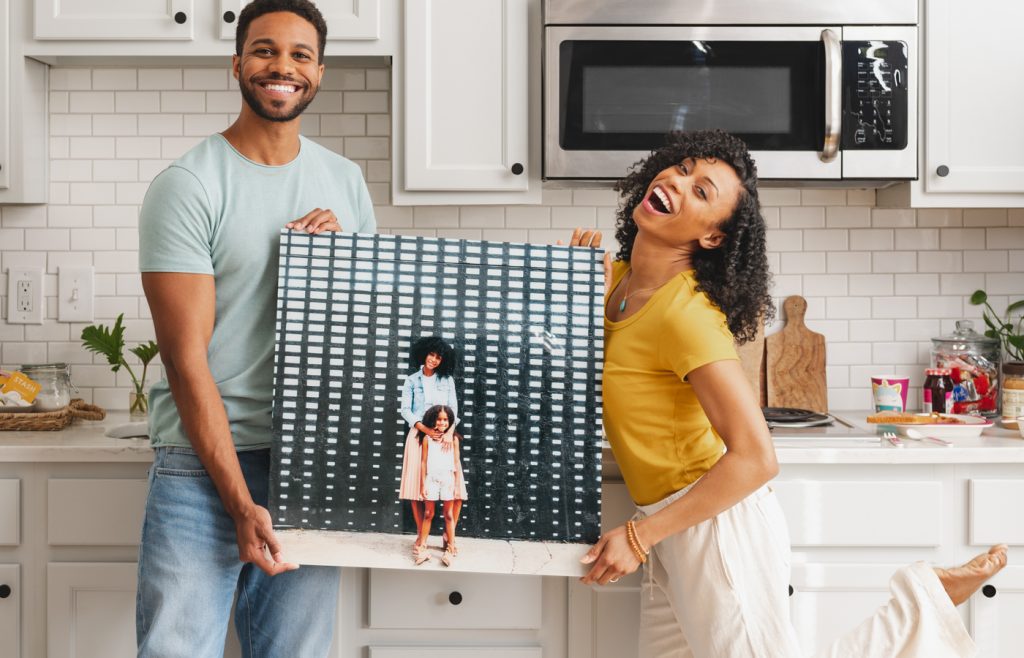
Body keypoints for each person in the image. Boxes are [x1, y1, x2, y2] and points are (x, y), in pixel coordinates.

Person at [570, 130, 1008, 658]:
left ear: (712, 238)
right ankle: (925, 600)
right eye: (682, 168)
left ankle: (921, 603)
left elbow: (756, 458)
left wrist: (640, 539)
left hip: (715, 529)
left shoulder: (686, 316)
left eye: (702, 191)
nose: (678, 182)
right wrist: (573, 294)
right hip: (668, 527)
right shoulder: (615, 284)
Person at [136, 0, 376, 655]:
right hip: (201, 468)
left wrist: (341, 263)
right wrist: (241, 504)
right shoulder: (188, 185)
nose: (282, 67)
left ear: (320, 72)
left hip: (310, 464)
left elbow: (367, 335)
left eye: (300, 55)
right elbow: (186, 361)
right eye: (265, 50)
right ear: (237, 63)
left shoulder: (346, 183)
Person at [398, 336, 468, 561]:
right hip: (419, 434)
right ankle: (422, 536)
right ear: (424, 354)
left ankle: (449, 537)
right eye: (431, 355)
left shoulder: (447, 380)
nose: (434, 360)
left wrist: (448, 432)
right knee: (417, 488)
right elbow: (405, 410)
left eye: (439, 357)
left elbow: (454, 410)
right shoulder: (411, 381)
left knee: (455, 489)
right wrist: (423, 429)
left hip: (445, 436)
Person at [415, 405, 465, 566]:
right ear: (433, 420)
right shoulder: (427, 439)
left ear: (450, 421)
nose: (442, 422)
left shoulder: (454, 440)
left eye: (445, 419)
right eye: (439, 419)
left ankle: (450, 548)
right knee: (428, 513)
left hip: (448, 480)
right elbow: (423, 462)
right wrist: (423, 484)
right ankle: (422, 548)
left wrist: (457, 485)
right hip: (431, 479)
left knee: (449, 514)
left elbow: (456, 463)